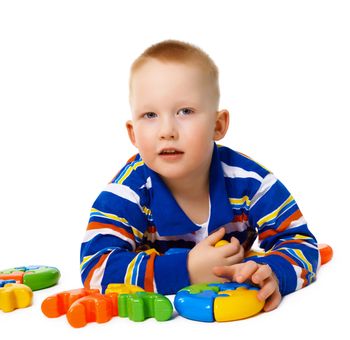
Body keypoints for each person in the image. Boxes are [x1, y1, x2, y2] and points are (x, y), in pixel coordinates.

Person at [80, 40, 319, 312]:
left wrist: (272, 272)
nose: (167, 130)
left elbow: (302, 244)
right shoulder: (127, 193)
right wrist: (187, 270)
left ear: (217, 125)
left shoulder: (252, 183)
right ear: (133, 134)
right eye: (150, 114)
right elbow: (95, 268)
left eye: (185, 111)